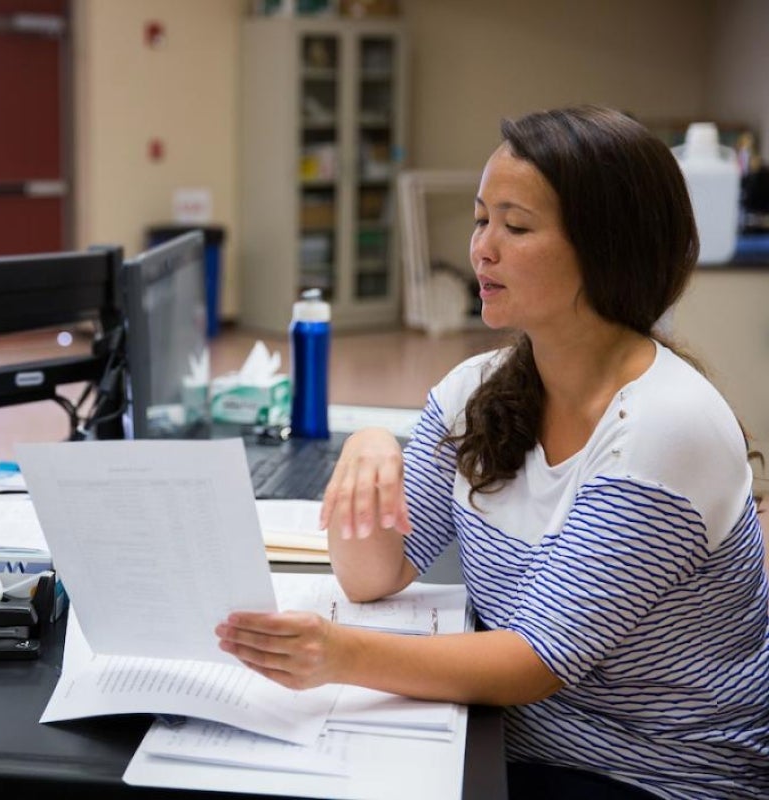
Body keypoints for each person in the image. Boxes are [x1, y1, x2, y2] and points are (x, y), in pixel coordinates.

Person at [216, 106, 769, 799]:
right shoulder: (477, 390)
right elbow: (372, 575)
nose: (481, 248)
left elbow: (534, 661)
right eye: (481, 220)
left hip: (655, 774)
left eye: (515, 226)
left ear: (605, 248)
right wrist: (366, 452)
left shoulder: (667, 426)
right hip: (511, 734)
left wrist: (337, 655)